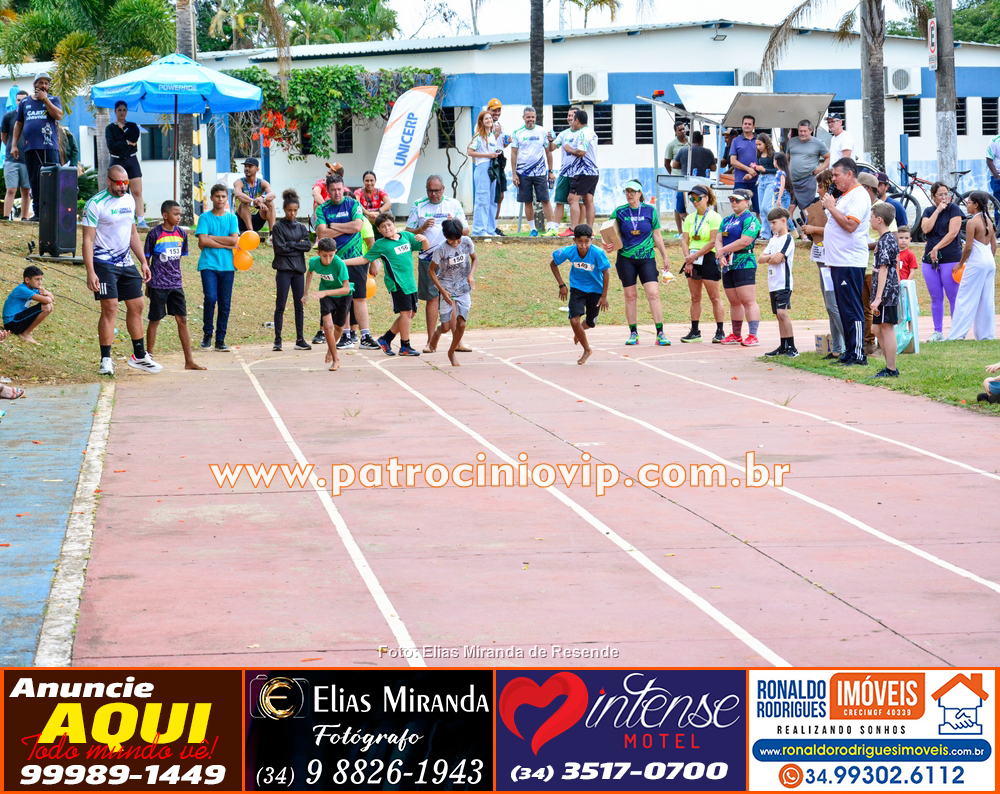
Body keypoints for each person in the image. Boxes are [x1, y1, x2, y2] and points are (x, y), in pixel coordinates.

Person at [83, 165, 160, 375]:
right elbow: (87, 240)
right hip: (103, 263)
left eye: (126, 182)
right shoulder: (95, 204)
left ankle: (139, 355)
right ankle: (106, 360)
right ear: (108, 181)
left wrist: (143, 261)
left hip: (126, 262)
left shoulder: (129, 200)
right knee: (110, 308)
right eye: (118, 183)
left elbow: (132, 232)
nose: (123, 186)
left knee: (137, 305)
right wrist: (90, 271)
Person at [346, 212, 429, 357]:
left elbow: (424, 247)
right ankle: (405, 346)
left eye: (389, 225)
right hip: (397, 283)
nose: (387, 228)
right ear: (379, 230)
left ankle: (386, 339)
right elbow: (364, 259)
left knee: (411, 314)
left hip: (410, 283)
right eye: (383, 227)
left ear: (394, 224)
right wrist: (342, 262)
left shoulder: (406, 236)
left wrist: (424, 239)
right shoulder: (380, 244)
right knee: (405, 313)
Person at [405, 174, 470, 353]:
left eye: (437, 190)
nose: (433, 194)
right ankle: (430, 342)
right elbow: (407, 232)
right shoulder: (418, 205)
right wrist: (422, 228)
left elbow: (466, 230)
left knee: (453, 298)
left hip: (452, 260)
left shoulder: (453, 204)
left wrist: (454, 222)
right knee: (432, 299)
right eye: (430, 191)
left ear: (443, 189)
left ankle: (458, 342)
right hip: (428, 258)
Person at [604, 179, 671, 346]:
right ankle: (633, 333)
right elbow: (608, 233)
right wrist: (608, 244)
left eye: (633, 191)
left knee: (653, 294)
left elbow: (657, 235)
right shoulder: (619, 211)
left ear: (640, 193)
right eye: (627, 191)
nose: (630, 194)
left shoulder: (650, 210)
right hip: (626, 259)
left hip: (646, 258)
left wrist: (665, 256)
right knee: (630, 296)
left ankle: (660, 333)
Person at [316, 174, 378, 351]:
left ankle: (365, 336)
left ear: (344, 188)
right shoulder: (322, 209)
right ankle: (345, 336)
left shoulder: (353, 204)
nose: (337, 193)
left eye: (339, 189)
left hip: (356, 259)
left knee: (359, 297)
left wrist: (332, 225)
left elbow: (357, 226)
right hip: (335, 261)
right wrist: (345, 227)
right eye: (333, 190)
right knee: (342, 299)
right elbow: (321, 233)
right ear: (328, 191)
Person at [142, 200, 204, 371]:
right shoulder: (154, 234)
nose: (178, 217)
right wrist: (148, 283)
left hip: (176, 283)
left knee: (182, 319)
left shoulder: (182, 234)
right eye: (175, 214)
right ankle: (149, 356)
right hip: (158, 284)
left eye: (180, 214)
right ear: (165, 215)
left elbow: (178, 257)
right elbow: (146, 259)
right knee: (155, 319)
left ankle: (189, 360)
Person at [823, 158, 871, 366]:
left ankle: (858, 353)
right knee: (844, 309)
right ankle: (850, 351)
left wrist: (832, 208)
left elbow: (851, 225)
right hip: (838, 261)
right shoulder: (846, 196)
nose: (833, 179)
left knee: (852, 307)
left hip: (850, 260)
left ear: (849, 174)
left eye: (836, 175)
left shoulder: (859, 195)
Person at [550, 223, 610, 365]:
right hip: (577, 289)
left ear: (591, 240)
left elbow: (606, 273)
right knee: (574, 321)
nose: (583, 246)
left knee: (590, 323)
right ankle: (587, 349)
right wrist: (562, 285)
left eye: (586, 242)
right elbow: (553, 264)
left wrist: (604, 296)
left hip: (595, 290)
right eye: (580, 242)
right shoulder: (569, 251)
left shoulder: (597, 253)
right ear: (574, 240)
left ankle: (580, 331)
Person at [800, 168, 845, 360]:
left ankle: (851, 345)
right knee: (829, 305)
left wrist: (814, 228)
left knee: (833, 304)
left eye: (820, 186)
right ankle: (837, 348)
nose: (818, 190)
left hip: (833, 260)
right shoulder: (819, 206)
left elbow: (839, 230)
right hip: (821, 257)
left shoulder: (838, 205)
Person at [946, 192, 996, 341]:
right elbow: (994, 245)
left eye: (968, 202)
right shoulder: (989, 220)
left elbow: (968, 247)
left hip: (977, 262)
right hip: (989, 261)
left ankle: (957, 334)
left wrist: (960, 263)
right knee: (986, 299)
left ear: (976, 205)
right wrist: (989, 259)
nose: (966, 205)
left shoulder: (972, 222)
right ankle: (986, 335)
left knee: (965, 297)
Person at [196, 183, 239, 352]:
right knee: (210, 298)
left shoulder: (232, 218)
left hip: (228, 266)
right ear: (212, 198)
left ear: (227, 198)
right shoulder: (204, 217)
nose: (220, 199)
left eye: (223, 196)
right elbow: (202, 240)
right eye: (217, 196)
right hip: (209, 264)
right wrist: (226, 244)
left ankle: (220, 339)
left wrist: (211, 238)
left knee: (225, 303)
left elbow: (234, 240)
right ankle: (207, 334)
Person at [11, 72, 62, 218]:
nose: (44, 86)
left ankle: (53, 213)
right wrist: (14, 145)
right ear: (35, 84)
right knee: (35, 180)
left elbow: (58, 115)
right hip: (31, 148)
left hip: (49, 147)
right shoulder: (25, 102)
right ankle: (38, 213)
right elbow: (18, 124)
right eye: (41, 83)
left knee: (52, 180)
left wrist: (45, 100)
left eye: (46, 83)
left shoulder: (53, 99)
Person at [715, 188, 762, 346]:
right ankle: (736, 335)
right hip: (728, 262)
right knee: (734, 301)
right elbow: (718, 239)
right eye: (731, 200)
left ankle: (753, 335)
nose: (734, 203)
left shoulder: (751, 219)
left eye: (737, 200)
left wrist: (723, 250)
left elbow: (745, 241)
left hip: (744, 261)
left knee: (748, 300)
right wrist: (721, 255)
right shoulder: (726, 220)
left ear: (747, 202)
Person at [427, 218, 477, 366]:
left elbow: (475, 259)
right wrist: (442, 291)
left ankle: (451, 352)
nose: (455, 243)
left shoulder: (467, 242)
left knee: (461, 324)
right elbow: (431, 271)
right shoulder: (441, 249)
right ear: (445, 236)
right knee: (446, 327)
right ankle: (437, 333)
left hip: (463, 287)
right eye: (451, 240)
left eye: (457, 239)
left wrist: (471, 275)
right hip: (447, 287)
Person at [680, 184, 725, 343]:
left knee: (715, 297)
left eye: (698, 198)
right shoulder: (690, 218)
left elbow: (713, 241)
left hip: (708, 257)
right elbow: (685, 241)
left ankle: (720, 331)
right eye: (692, 198)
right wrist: (688, 258)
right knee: (695, 297)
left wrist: (695, 256)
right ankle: (695, 331)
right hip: (692, 259)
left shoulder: (714, 217)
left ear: (706, 198)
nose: (695, 201)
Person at [919, 181, 963, 342]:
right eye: (940, 195)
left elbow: (953, 233)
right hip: (930, 260)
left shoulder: (954, 209)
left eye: (946, 194)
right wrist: (937, 210)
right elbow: (925, 229)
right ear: (933, 196)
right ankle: (938, 331)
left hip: (950, 257)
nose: (944, 197)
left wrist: (936, 247)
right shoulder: (929, 211)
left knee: (953, 296)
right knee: (936, 298)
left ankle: (956, 332)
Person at [269, 189, 312, 352]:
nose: (292, 213)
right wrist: (297, 245)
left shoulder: (301, 227)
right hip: (284, 271)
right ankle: (277, 340)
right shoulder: (278, 227)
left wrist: (291, 244)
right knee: (280, 305)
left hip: (298, 272)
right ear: (284, 210)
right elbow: (280, 249)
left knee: (299, 306)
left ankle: (300, 339)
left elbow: (307, 246)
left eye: (295, 210)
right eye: (289, 210)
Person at [303, 237, 352, 372]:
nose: (328, 259)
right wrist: (306, 293)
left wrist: (325, 292)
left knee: (339, 328)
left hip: (343, 296)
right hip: (326, 296)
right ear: (318, 253)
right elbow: (309, 273)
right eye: (324, 256)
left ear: (335, 252)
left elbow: (346, 288)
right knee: (328, 326)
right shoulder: (313, 262)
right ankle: (336, 359)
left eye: (331, 255)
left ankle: (330, 349)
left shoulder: (339, 264)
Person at [511, 105, 558, 237]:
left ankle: (551, 228)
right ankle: (533, 229)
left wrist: (550, 171)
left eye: (532, 117)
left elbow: (548, 152)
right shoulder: (517, 133)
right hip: (523, 173)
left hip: (540, 172)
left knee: (545, 200)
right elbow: (513, 154)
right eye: (528, 117)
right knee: (528, 201)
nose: (530, 119)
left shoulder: (542, 131)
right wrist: (514, 174)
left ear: (536, 117)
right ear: (523, 118)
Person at [759, 207, 797, 357]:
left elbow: (777, 259)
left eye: (774, 222)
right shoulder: (773, 240)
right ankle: (783, 345)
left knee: (782, 313)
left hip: (783, 282)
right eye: (770, 223)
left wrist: (772, 257)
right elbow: (761, 258)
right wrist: (772, 257)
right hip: (773, 283)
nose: (771, 226)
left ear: (783, 221)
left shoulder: (787, 239)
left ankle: (792, 346)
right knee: (778, 315)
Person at [869, 202, 901, 377]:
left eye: (872, 217)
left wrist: (878, 297)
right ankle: (889, 365)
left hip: (886, 293)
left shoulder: (887, 240)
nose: (870, 220)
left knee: (887, 327)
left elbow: (884, 270)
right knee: (876, 329)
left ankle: (891, 368)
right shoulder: (883, 239)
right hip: (882, 291)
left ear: (879, 219)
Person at [105, 101, 145, 228]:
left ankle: (141, 220)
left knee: (137, 191)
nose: (122, 112)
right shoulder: (110, 128)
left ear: (127, 112)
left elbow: (134, 138)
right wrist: (127, 143)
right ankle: (119, 218)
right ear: (115, 111)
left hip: (131, 161)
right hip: (117, 161)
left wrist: (124, 129)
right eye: (119, 110)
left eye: (124, 110)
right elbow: (112, 146)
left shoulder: (132, 126)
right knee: (118, 191)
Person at [785, 120, 830, 224]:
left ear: (811, 130)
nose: (802, 133)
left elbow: (828, 157)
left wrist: (819, 169)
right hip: (792, 181)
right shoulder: (791, 142)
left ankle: (807, 231)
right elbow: (787, 159)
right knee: (790, 207)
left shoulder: (818, 143)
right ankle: (791, 231)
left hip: (807, 181)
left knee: (807, 210)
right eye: (800, 131)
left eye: (805, 131)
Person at [563, 108, 599, 229]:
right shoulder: (592, 132)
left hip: (584, 171)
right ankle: (589, 230)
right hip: (593, 172)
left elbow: (582, 152)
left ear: (577, 120)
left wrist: (569, 150)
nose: (572, 122)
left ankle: (573, 229)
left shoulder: (582, 133)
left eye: (573, 120)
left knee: (572, 199)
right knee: (589, 201)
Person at [549, 106, 581, 237]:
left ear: (578, 118)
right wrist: (550, 140)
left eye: (572, 115)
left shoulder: (583, 133)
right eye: (568, 115)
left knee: (580, 203)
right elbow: (551, 148)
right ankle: (554, 229)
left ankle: (578, 229)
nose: (570, 118)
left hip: (579, 173)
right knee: (559, 201)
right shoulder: (563, 134)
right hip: (564, 173)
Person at [468, 109, 500, 235]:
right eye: (486, 118)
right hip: (482, 167)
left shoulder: (491, 136)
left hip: (492, 168)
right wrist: (487, 155)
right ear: (481, 122)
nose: (489, 120)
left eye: (490, 118)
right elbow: (470, 152)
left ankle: (490, 229)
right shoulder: (478, 136)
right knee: (482, 199)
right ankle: (478, 230)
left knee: (492, 200)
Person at [3, 264, 53, 343]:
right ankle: (26, 333)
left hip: (17, 319)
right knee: (46, 307)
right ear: (27, 280)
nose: (40, 283)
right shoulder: (22, 289)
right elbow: (47, 300)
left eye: (41, 279)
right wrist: (48, 295)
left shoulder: (32, 289)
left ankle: (25, 332)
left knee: (49, 306)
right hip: (12, 323)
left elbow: (51, 299)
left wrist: (47, 293)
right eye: (37, 279)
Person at [1, 91, 30, 221]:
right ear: (16, 101)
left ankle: (24, 218)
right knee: (11, 189)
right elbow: (4, 137)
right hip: (11, 159)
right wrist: (12, 147)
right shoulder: (8, 116)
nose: (20, 102)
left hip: (27, 159)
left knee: (26, 190)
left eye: (23, 100)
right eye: (18, 100)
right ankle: (6, 217)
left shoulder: (31, 117)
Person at [233, 157, 275, 239]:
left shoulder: (262, 183)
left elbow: (273, 194)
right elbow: (238, 194)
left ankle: (272, 234)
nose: (247, 168)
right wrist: (254, 201)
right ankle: (251, 233)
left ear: (257, 169)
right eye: (245, 166)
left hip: (257, 219)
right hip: (241, 220)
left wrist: (262, 198)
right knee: (244, 203)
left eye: (250, 166)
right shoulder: (239, 182)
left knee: (270, 202)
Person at [664, 120, 690, 234]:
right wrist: (673, 175)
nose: (683, 131)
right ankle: (680, 231)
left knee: (689, 203)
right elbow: (666, 163)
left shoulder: (690, 141)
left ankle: (689, 230)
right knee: (677, 205)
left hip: (689, 178)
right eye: (680, 130)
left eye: (683, 129)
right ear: (675, 132)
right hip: (677, 179)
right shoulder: (671, 145)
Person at [729, 115, 759, 214]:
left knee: (759, 210)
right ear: (742, 125)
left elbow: (765, 159)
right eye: (745, 123)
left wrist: (753, 172)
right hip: (740, 180)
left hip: (758, 180)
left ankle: (758, 225)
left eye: (749, 124)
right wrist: (748, 169)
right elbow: (733, 161)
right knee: (738, 208)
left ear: (754, 126)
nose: (747, 126)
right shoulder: (736, 140)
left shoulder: (759, 140)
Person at [487, 98, 508, 233]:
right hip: (490, 161)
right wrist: (496, 133)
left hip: (500, 160)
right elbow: (486, 144)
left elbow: (501, 144)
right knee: (491, 195)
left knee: (500, 195)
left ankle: (494, 225)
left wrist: (507, 142)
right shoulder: (483, 124)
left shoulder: (500, 125)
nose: (497, 113)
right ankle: (489, 226)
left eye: (498, 110)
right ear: (488, 110)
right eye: (494, 110)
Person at [754, 134, 776, 238]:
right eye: (757, 145)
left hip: (771, 180)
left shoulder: (773, 155)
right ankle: (765, 234)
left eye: (760, 144)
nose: (758, 147)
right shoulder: (759, 155)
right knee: (761, 208)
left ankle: (775, 229)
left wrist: (765, 170)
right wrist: (755, 168)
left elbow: (778, 169)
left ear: (766, 144)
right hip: (761, 180)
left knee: (766, 207)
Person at [988, 133, 1000, 227]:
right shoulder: (995, 141)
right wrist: (997, 177)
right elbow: (989, 160)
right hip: (998, 177)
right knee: (998, 206)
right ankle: (999, 230)